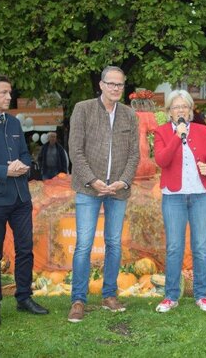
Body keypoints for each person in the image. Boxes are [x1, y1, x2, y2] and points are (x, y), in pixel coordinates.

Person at [68, 66, 139, 322]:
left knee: (114, 243)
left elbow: (134, 154)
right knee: (84, 244)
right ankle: (78, 299)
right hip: (88, 188)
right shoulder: (83, 109)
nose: (116, 88)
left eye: (120, 84)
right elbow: (75, 151)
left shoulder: (129, 115)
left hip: (118, 190)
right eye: (111, 84)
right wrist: (93, 180)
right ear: (101, 85)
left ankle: (109, 295)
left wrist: (123, 181)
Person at [0, 74, 48, 328]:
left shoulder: (13, 123)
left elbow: (24, 153)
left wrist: (23, 165)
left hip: (21, 198)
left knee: (25, 249)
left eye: (9, 92)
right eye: (3, 92)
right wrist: (4, 170)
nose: (8, 97)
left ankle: (24, 297)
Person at [153, 90, 206, 313]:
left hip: (201, 195)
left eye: (184, 107)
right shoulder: (162, 132)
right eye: (176, 107)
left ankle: (201, 295)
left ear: (190, 110)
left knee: (200, 247)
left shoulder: (203, 131)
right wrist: (176, 136)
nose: (180, 110)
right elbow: (162, 160)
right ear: (169, 111)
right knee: (174, 247)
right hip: (174, 197)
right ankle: (171, 296)